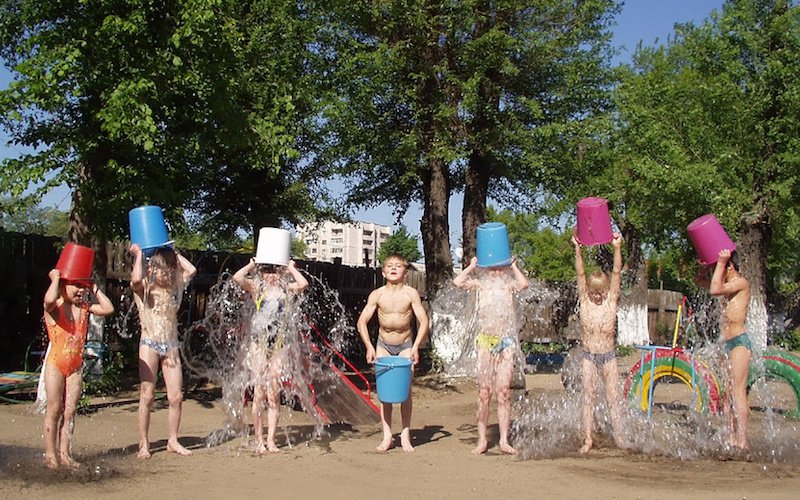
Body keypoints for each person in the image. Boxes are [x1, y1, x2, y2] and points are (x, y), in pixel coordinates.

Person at [453, 255, 528, 455]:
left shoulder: (509, 284)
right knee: (484, 393)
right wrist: (471, 267)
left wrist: (513, 266)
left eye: (500, 268)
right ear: (485, 270)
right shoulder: (480, 284)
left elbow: (524, 285)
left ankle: (504, 440)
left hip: (506, 341)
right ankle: (482, 440)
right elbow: (457, 282)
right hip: (485, 341)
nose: (496, 272)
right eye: (492, 269)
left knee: (503, 392)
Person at [232, 258, 308, 453]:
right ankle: (259, 439)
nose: (271, 276)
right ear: (261, 274)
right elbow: (237, 277)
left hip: (279, 345)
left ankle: (271, 440)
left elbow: (304, 284)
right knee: (259, 393)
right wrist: (251, 265)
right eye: (267, 272)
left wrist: (291, 269)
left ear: (281, 273)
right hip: (259, 344)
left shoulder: (287, 290)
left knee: (274, 393)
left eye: (276, 272)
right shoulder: (257, 288)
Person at [43, 268, 114, 468]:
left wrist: (95, 290)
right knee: (54, 409)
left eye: (82, 286)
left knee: (70, 411)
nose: (79, 290)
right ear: (63, 286)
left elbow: (108, 309)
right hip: (55, 365)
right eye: (75, 285)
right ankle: (51, 455)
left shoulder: (84, 307)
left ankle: (65, 453)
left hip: (74, 367)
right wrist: (55, 279)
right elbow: (48, 300)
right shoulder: (55, 306)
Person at [357, 254, 429, 452]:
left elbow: (423, 321)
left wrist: (415, 347)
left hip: (405, 344)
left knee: (405, 392)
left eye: (398, 266)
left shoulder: (410, 293)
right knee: (385, 394)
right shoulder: (377, 294)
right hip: (383, 345)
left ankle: (405, 434)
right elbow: (362, 321)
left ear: (405, 272)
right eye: (390, 265)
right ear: (383, 271)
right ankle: (387, 436)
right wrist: (369, 347)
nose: (394, 268)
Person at [130, 244, 196, 459]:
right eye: (162, 269)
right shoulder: (145, 290)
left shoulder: (175, 288)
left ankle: (173, 440)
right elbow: (135, 281)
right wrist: (140, 255)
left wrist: (175, 253)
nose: (167, 273)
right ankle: (143, 443)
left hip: (171, 345)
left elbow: (192, 270)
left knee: (176, 397)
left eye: (170, 269)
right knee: (147, 395)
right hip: (149, 343)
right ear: (151, 270)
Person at [572, 231, 626, 454]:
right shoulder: (584, 300)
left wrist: (617, 248)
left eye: (600, 292)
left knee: (613, 397)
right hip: (589, 356)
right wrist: (577, 249)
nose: (597, 296)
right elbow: (580, 273)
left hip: (609, 356)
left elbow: (615, 272)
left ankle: (620, 436)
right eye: (593, 292)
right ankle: (588, 438)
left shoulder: (611, 300)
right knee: (588, 397)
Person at [708, 248, 751, 450]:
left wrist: (720, 261)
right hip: (726, 343)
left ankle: (742, 441)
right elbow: (704, 283)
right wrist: (704, 268)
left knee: (737, 391)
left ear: (730, 267)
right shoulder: (728, 284)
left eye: (724, 268)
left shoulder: (741, 283)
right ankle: (730, 436)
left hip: (739, 343)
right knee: (727, 391)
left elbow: (714, 289)